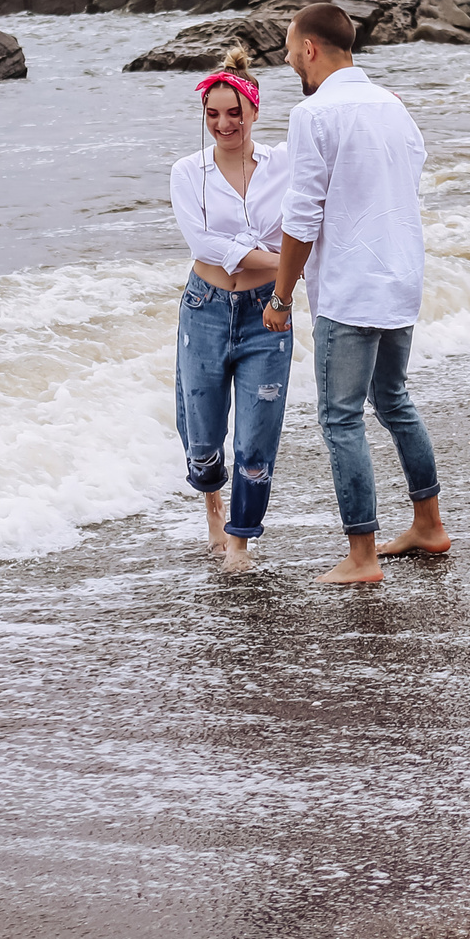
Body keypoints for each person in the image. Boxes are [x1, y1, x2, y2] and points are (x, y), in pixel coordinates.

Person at [263, 2, 452, 585]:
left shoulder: (314, 112)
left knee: (340, 418)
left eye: (292, 48)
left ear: (311, 48)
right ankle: (428, 525)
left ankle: (363, 556)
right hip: (400, 277)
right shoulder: (394, 107)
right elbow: (407, 176)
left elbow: (303, 214)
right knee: (392, 398)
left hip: (350, 286)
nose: (290, 58)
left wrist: (281, 294)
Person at [167, 45, 293, 573]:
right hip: (206, 307)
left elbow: (320, 203)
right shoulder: (186, 172)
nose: (224, 124)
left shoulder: (284, 164)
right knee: (201, 434)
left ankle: (240, 539)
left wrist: (285, 272)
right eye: (213, 114)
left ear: (254, 111)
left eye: (234, 113)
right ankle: (212, 505)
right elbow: (204, 246)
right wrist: (289, 261)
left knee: (258, 436)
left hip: (269, 310)